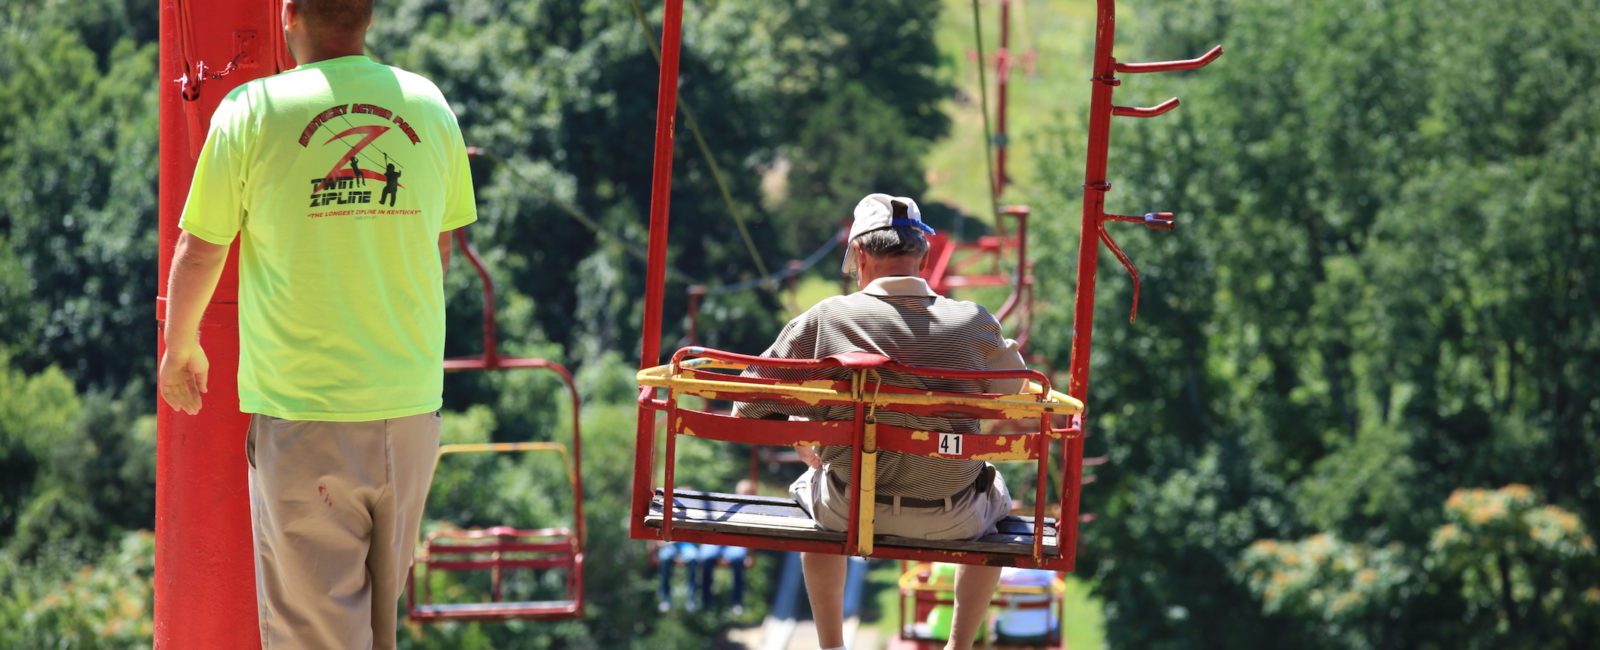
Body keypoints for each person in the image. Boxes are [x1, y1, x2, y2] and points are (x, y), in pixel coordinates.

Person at [157, 1, 476, 648]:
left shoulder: (251, 111)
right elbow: (440, 249)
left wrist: (180, 343)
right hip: (411, 408)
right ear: (369, 17)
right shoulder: (429, 105)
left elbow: (202, 247)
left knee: (316, 635)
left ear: (288, 14)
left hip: (308, 413)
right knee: (375, 626)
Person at [735, 193, 1026, 650]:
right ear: (923, 254)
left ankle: (831, 644)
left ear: (860, 255)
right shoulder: (972, 321)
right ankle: (959, 645)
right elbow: (1014, 391)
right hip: (953, 518)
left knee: (814, 498)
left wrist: (801, 427)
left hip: (849, 509)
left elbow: (747, 404)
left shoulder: (827, 318)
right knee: (995, 492)